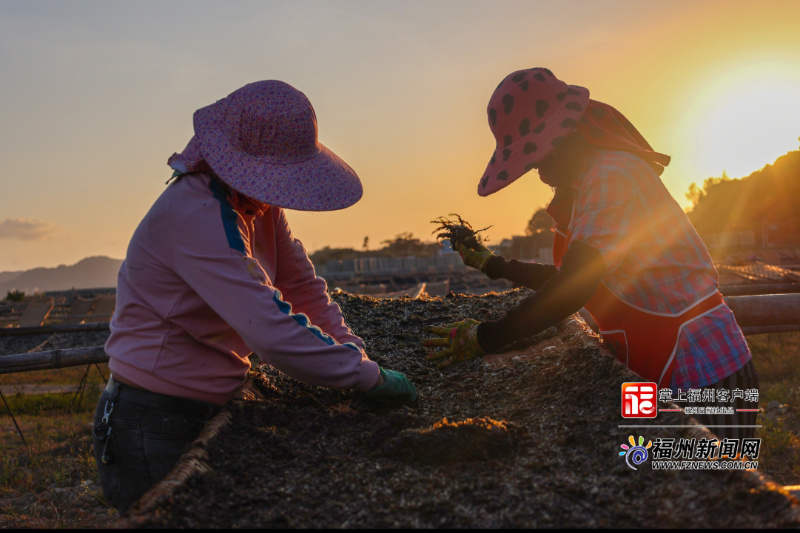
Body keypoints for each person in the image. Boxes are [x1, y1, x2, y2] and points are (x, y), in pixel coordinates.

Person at [93, 80, 417, 513]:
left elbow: (300, 287)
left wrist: (350, 350)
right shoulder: (195, 213)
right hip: (153, 419)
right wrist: (367, 378)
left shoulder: (258, 206)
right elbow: (270, 330)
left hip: (205, 406)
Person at [423, 68, 757, 441]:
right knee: (641, 466)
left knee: (713, 481)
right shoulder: (588, 185)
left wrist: (486, 337)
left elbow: (573, 288)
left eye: (540, 158)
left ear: (567, 136)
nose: (538, 171)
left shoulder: (612, 176)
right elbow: (580, 277)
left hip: (703, 369)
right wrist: (492, 264)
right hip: (649, 359)